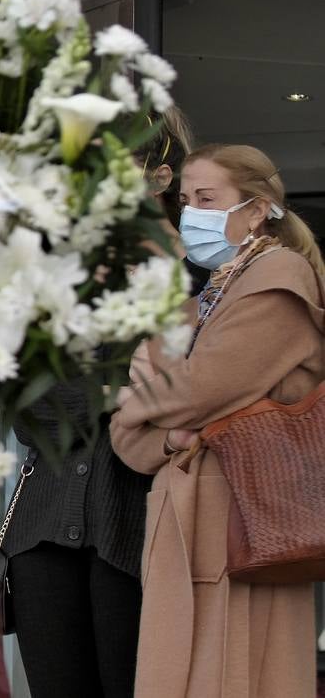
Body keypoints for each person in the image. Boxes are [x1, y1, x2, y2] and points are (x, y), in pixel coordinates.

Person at [1, 109, 204, 698]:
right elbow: (28, 406)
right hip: (41, 532)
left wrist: (105, 392)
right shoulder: (59, 276)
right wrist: (125, 394)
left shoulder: (203, 279)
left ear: (159, 179)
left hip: (146, 521)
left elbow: (196, 397)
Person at [111, 143, 325, 697]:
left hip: (246, 518)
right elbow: (130, 440)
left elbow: (199, 388)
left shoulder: (279, 277)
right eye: (186, 200)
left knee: (238, 674)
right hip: (189, 519)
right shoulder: (211, 292)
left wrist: (143, 402)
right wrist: (171, 429)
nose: (191, 213)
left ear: (256, 209)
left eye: (208, 198)